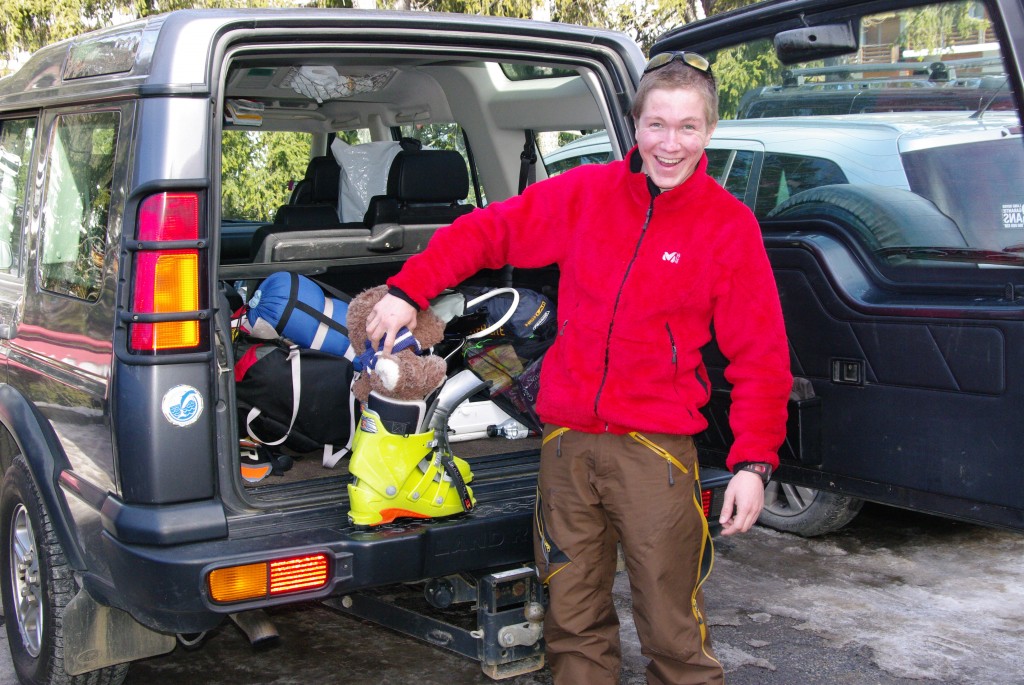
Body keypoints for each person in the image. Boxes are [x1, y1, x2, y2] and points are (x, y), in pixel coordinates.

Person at [367, 51, 792, 685]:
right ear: (634, 124)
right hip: (566, 449)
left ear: (709, 131)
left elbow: (761, 356)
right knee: (573, 624)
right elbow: (486, 231)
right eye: (656, 125)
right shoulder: (587, 196)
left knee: (672, 631)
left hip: (656, 454)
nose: (669, 144)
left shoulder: (728, 228)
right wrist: (408, 289)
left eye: (687, 127)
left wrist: (755, 463)